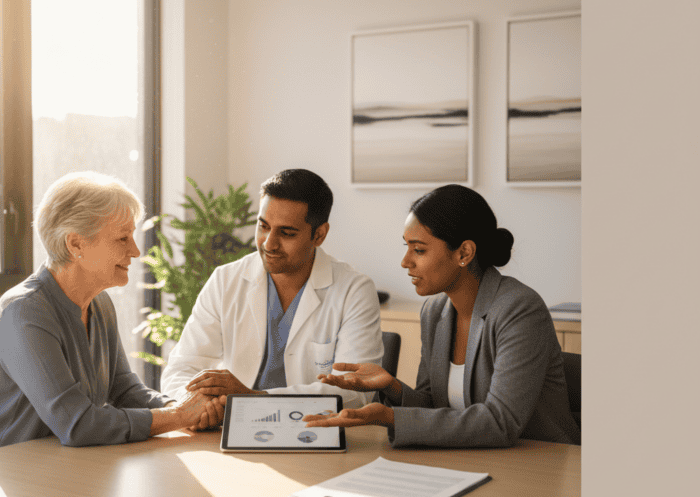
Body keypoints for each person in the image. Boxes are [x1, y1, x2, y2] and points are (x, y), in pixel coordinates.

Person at [304, 184, 581, 448]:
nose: (405, 262)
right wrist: (394, 387)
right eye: (406, 247)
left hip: (545, 464)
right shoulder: (435, 311)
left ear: (464, 252)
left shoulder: (519, 310)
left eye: (419, 250)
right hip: (472, 459)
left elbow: (500, 421)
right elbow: (434, 406)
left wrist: (390, 418)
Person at [0, 172, 224, 447]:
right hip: (27, 475)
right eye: (122, 238)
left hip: (79, 468)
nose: (135, 251)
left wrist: (186, 407)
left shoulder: (99, 303)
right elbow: (78, 425)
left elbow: (125, 390)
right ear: (75, 244)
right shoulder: (23, 314)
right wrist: (179, 415)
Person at [161, 169, 383, 412]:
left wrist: (253, 398)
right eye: (263, 226)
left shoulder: (354, 291)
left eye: (286, 233)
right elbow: (182, 368)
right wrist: (196, 404)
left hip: (314, 432)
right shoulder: (226, 280)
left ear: (319, 235)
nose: (269, 243)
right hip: (231, 426)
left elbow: (354, 390)